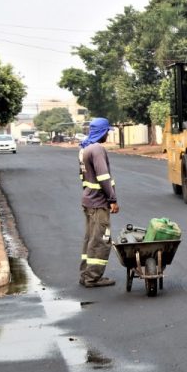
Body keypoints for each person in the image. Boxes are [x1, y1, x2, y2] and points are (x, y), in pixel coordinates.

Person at [77, 117, 118, 287]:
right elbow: (103, 177)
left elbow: (83, 177)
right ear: (102, 132)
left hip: (89, 201)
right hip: (99, 203)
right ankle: (93, 277)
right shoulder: (97, 149)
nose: (108, 134)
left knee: (90, 239)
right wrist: (112, 199)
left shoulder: (85, 149)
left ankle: (85, 274)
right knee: (101, 240)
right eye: (107, 131)